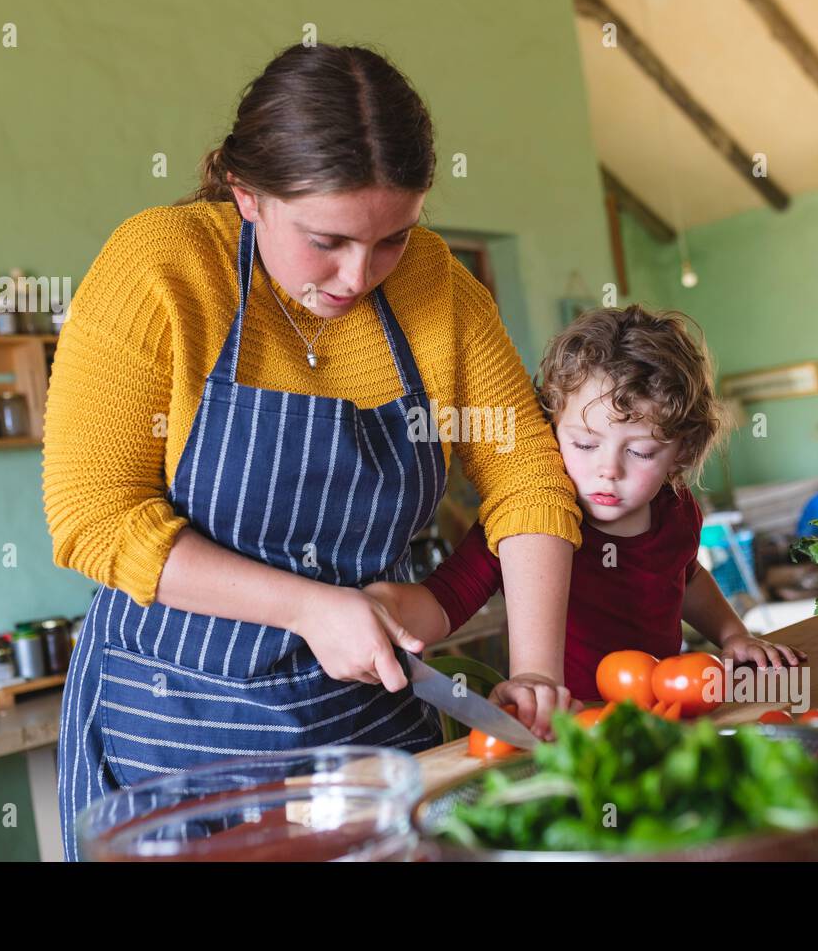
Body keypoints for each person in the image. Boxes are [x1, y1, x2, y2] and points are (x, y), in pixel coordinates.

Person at [43, 44, 580, 860]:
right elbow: (92, 518)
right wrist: (306, 606)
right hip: (174, 734)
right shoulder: (161, 267)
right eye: (326, 240)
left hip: (369, 727)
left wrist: (536, 672)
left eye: (392, 238)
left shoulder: (437, 285)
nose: (357, 276)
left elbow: (528, 477)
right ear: (246, 193)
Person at [374, 305, 806, 702]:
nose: (608, 470)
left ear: (683, 452)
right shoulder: (528, 521)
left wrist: (733, 634)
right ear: (551, 427)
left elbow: (687, 576)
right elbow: (445, 600)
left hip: (664, 714)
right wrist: (382, 608)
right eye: (583, 443)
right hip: (570, 725)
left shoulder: (676, 510)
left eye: (640, 452)